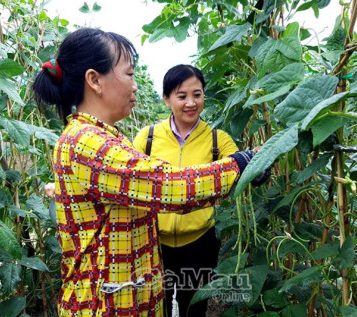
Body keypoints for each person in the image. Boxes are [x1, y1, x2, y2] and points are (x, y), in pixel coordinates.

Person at [32, 28, 259, 316]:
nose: (135, 85)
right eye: (129, 74)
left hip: (129, 293)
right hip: (106, 306)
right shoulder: (88, 142)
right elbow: (168, 186)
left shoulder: (105, 138)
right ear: (94, 80)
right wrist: (239, 165)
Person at [133, 65, 238, 317]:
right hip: (155, 244)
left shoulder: (217, 139)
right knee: (158, 307)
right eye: (181, 96)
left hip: (200, 243)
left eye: (197, 94)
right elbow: (127, 176)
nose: (191, 103)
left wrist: (256, 167)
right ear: (167, 99)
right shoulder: (146, 138)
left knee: (195, 308)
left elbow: (239, 163)